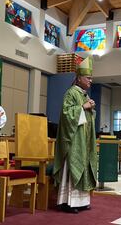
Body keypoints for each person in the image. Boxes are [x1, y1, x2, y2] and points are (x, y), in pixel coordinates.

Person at [53, 57, 97, 214]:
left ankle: (82, 201)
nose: (91, 80)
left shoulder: (84, 94)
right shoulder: (71, 93)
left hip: (83, 140)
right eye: (88, 78)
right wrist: (83, 107)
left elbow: (88, 120)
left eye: (91, 78)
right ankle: (68, 202)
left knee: (84, 166)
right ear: (79, 78)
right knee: (73, 166)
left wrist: (90, 110)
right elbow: (66, 115)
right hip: (73, 140)